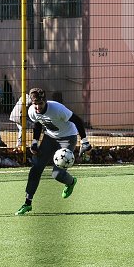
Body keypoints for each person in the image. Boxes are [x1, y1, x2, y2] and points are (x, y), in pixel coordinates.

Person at [15, 88, 92, 216]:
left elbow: (77, 120)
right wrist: (35, 142)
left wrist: (85, 142)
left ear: (45, 101)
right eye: (35, 104)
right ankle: (27, 203)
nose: (38, 107)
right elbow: (38, 124)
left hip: (68, 137)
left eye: (40, 103)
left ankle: (71, 182)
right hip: (50, 138)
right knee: (36, 168)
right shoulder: (32, 111)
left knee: (57, 174)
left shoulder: (57, 109)